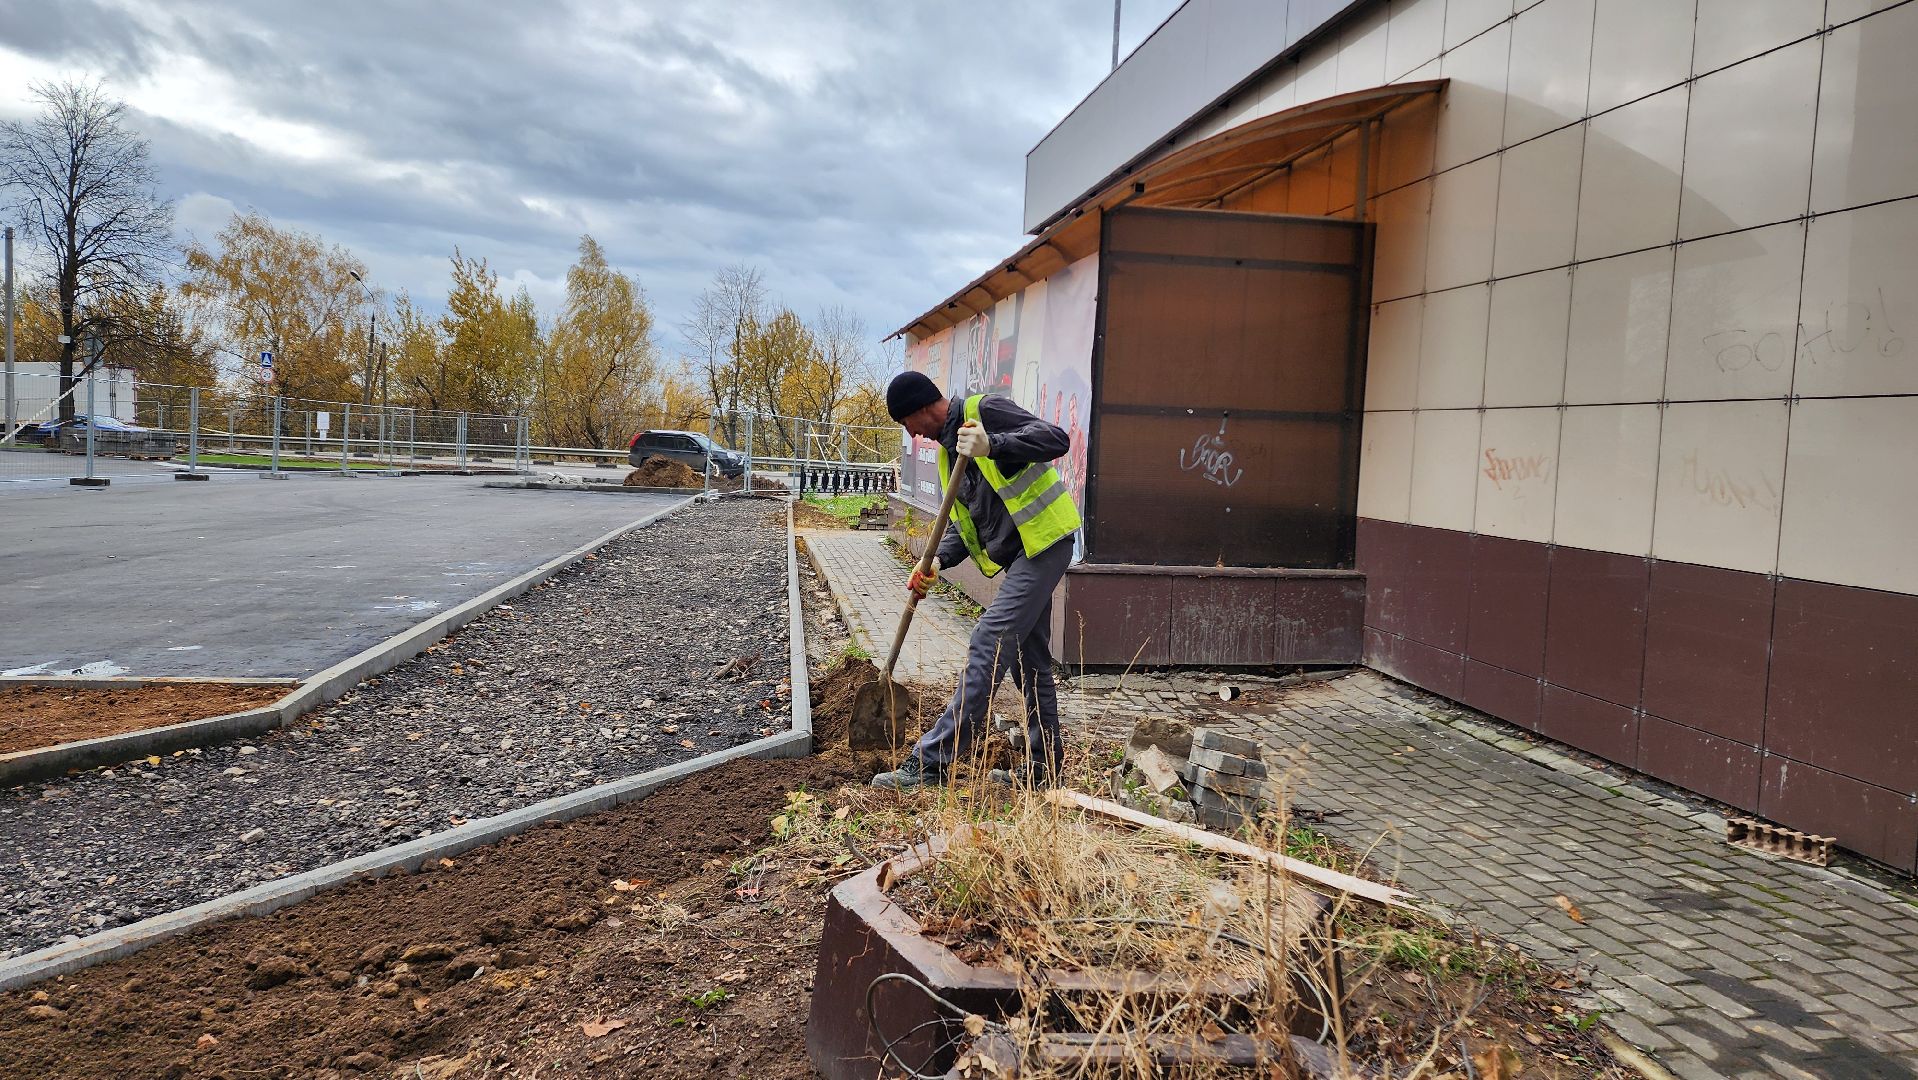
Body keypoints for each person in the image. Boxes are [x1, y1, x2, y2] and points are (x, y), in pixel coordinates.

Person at [871, 371, 1081, 791]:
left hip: (1043, 544)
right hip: (1022, 553)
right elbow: (968, 525)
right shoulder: (952, 453)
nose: (911, 435)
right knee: (1029, 662)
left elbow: (1056, 438)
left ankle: (933, 761)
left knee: (989, 640)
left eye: (907, 423)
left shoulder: (982, 412)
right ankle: (1045, 769)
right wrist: (937, 561)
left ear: (922, 409)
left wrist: (993, 444)